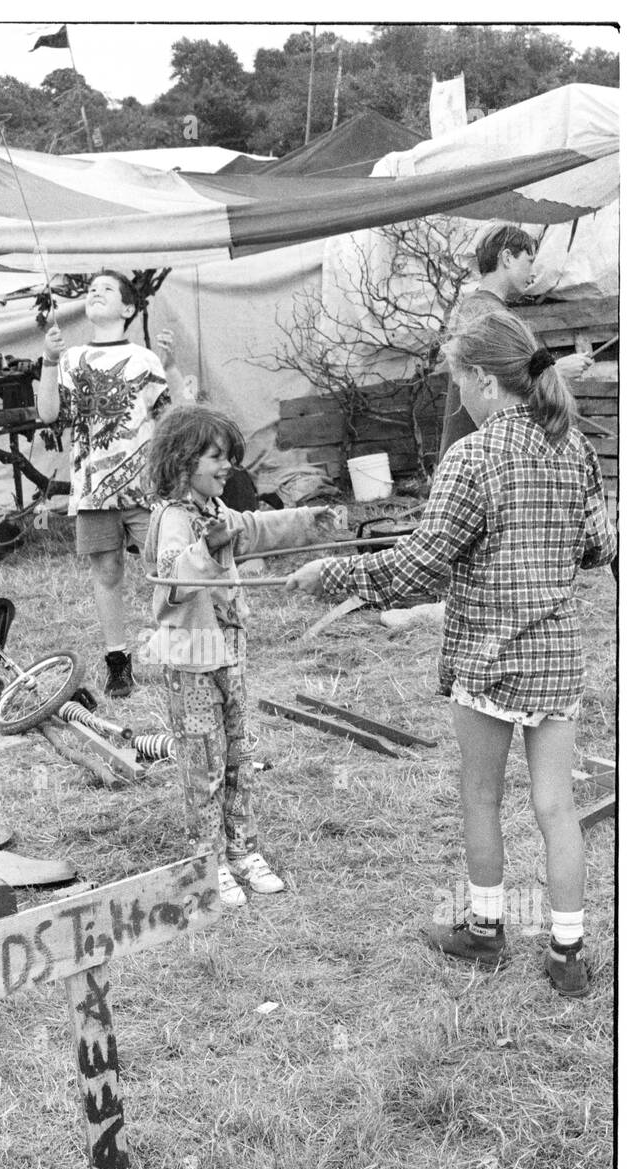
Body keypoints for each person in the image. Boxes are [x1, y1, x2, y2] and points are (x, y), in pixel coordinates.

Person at [286, 308, 616, 997]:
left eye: (457, 380)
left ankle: (486, 930)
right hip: (556, 660)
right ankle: (567, 954)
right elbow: (598, 547)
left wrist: (334, 575)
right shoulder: (575, 450)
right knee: (556, 808)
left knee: (480, 795)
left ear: (484, 381)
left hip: (489, 659)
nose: (456, 394)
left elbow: (419, 564)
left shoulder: (471, 455)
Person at [141, 403, 339, 908]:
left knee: (238, 756)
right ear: (183, 461)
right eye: (216, 457)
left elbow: (253, 528)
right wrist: (207, 551)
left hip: (229, 652)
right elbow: (171, 581)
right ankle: (208, 863)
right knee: (203, 763)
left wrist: (306, 519)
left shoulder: (214, 510)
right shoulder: (173, 519)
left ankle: (243, 851)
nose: (227, 465)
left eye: (228, 455)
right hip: (193, 658)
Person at [37, 270, 185, 697]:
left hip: (145, 489)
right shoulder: (71, 358)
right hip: (93, 491)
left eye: (107, 289)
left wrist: (171, 367)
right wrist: (48, 361)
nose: (95, 293)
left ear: (128, 308)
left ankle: (179, 649)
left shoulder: (144, 359)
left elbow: (177, 417)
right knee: (106, 572)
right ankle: (117, 661)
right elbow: (48, 414)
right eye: (91, 289)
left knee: (166, 567)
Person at [439, 223, 593, 460]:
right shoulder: (485, 312)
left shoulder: (483, 307)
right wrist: (558, 371)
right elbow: (501, 386)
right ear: (507, 258)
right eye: (529, 261)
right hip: (477, 454)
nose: (533, 273)